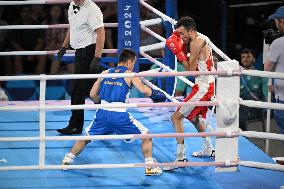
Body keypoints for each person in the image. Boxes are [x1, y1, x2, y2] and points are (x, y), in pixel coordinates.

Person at [62, 48, 165, 175]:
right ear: (128, 62)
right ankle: (149, 166)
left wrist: (102, 103)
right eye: (133, 63)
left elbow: (92, 94)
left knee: (86, 137)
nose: (133, 66)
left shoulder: (105, 73)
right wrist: (156, 94)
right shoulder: (129, 74)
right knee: (146, 136)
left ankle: (67, 160)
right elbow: (144, 91)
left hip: (102, 113)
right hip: (120, 115)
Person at [165, 17, 215, 169]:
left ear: (191, 31)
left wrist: (179, 53)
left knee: (176, 118)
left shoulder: (195, 43)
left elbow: (190, 71)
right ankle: (208, 148)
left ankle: (180, 159)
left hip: (203, 87)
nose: (180, 37)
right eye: (178, 35)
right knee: (193, 117)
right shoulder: (200, 38)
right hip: (205, 85)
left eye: (182, 34)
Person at [56, 0, 105, 135]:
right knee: (90, 88)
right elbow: (72, 26)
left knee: (77, 88)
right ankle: (107, 113)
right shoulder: (72, 5)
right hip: (79, 52)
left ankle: (75, 125)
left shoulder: (92, 9)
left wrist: (97, 57)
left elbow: (101, 33)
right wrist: (64, 47)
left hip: (89, 51)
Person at [264, 6, 284, 134]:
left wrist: (270, 48)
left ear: (281, 21)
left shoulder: (279, 43)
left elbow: (267, 68)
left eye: (276, 21)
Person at [239, 49, 268, 131]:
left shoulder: (260, 75)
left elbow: (266, 94)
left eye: (248, 56)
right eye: (243, 57)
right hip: (238, 105)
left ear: (254, 59)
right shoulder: (238, 75)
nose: (245, 59)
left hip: (254, 108)